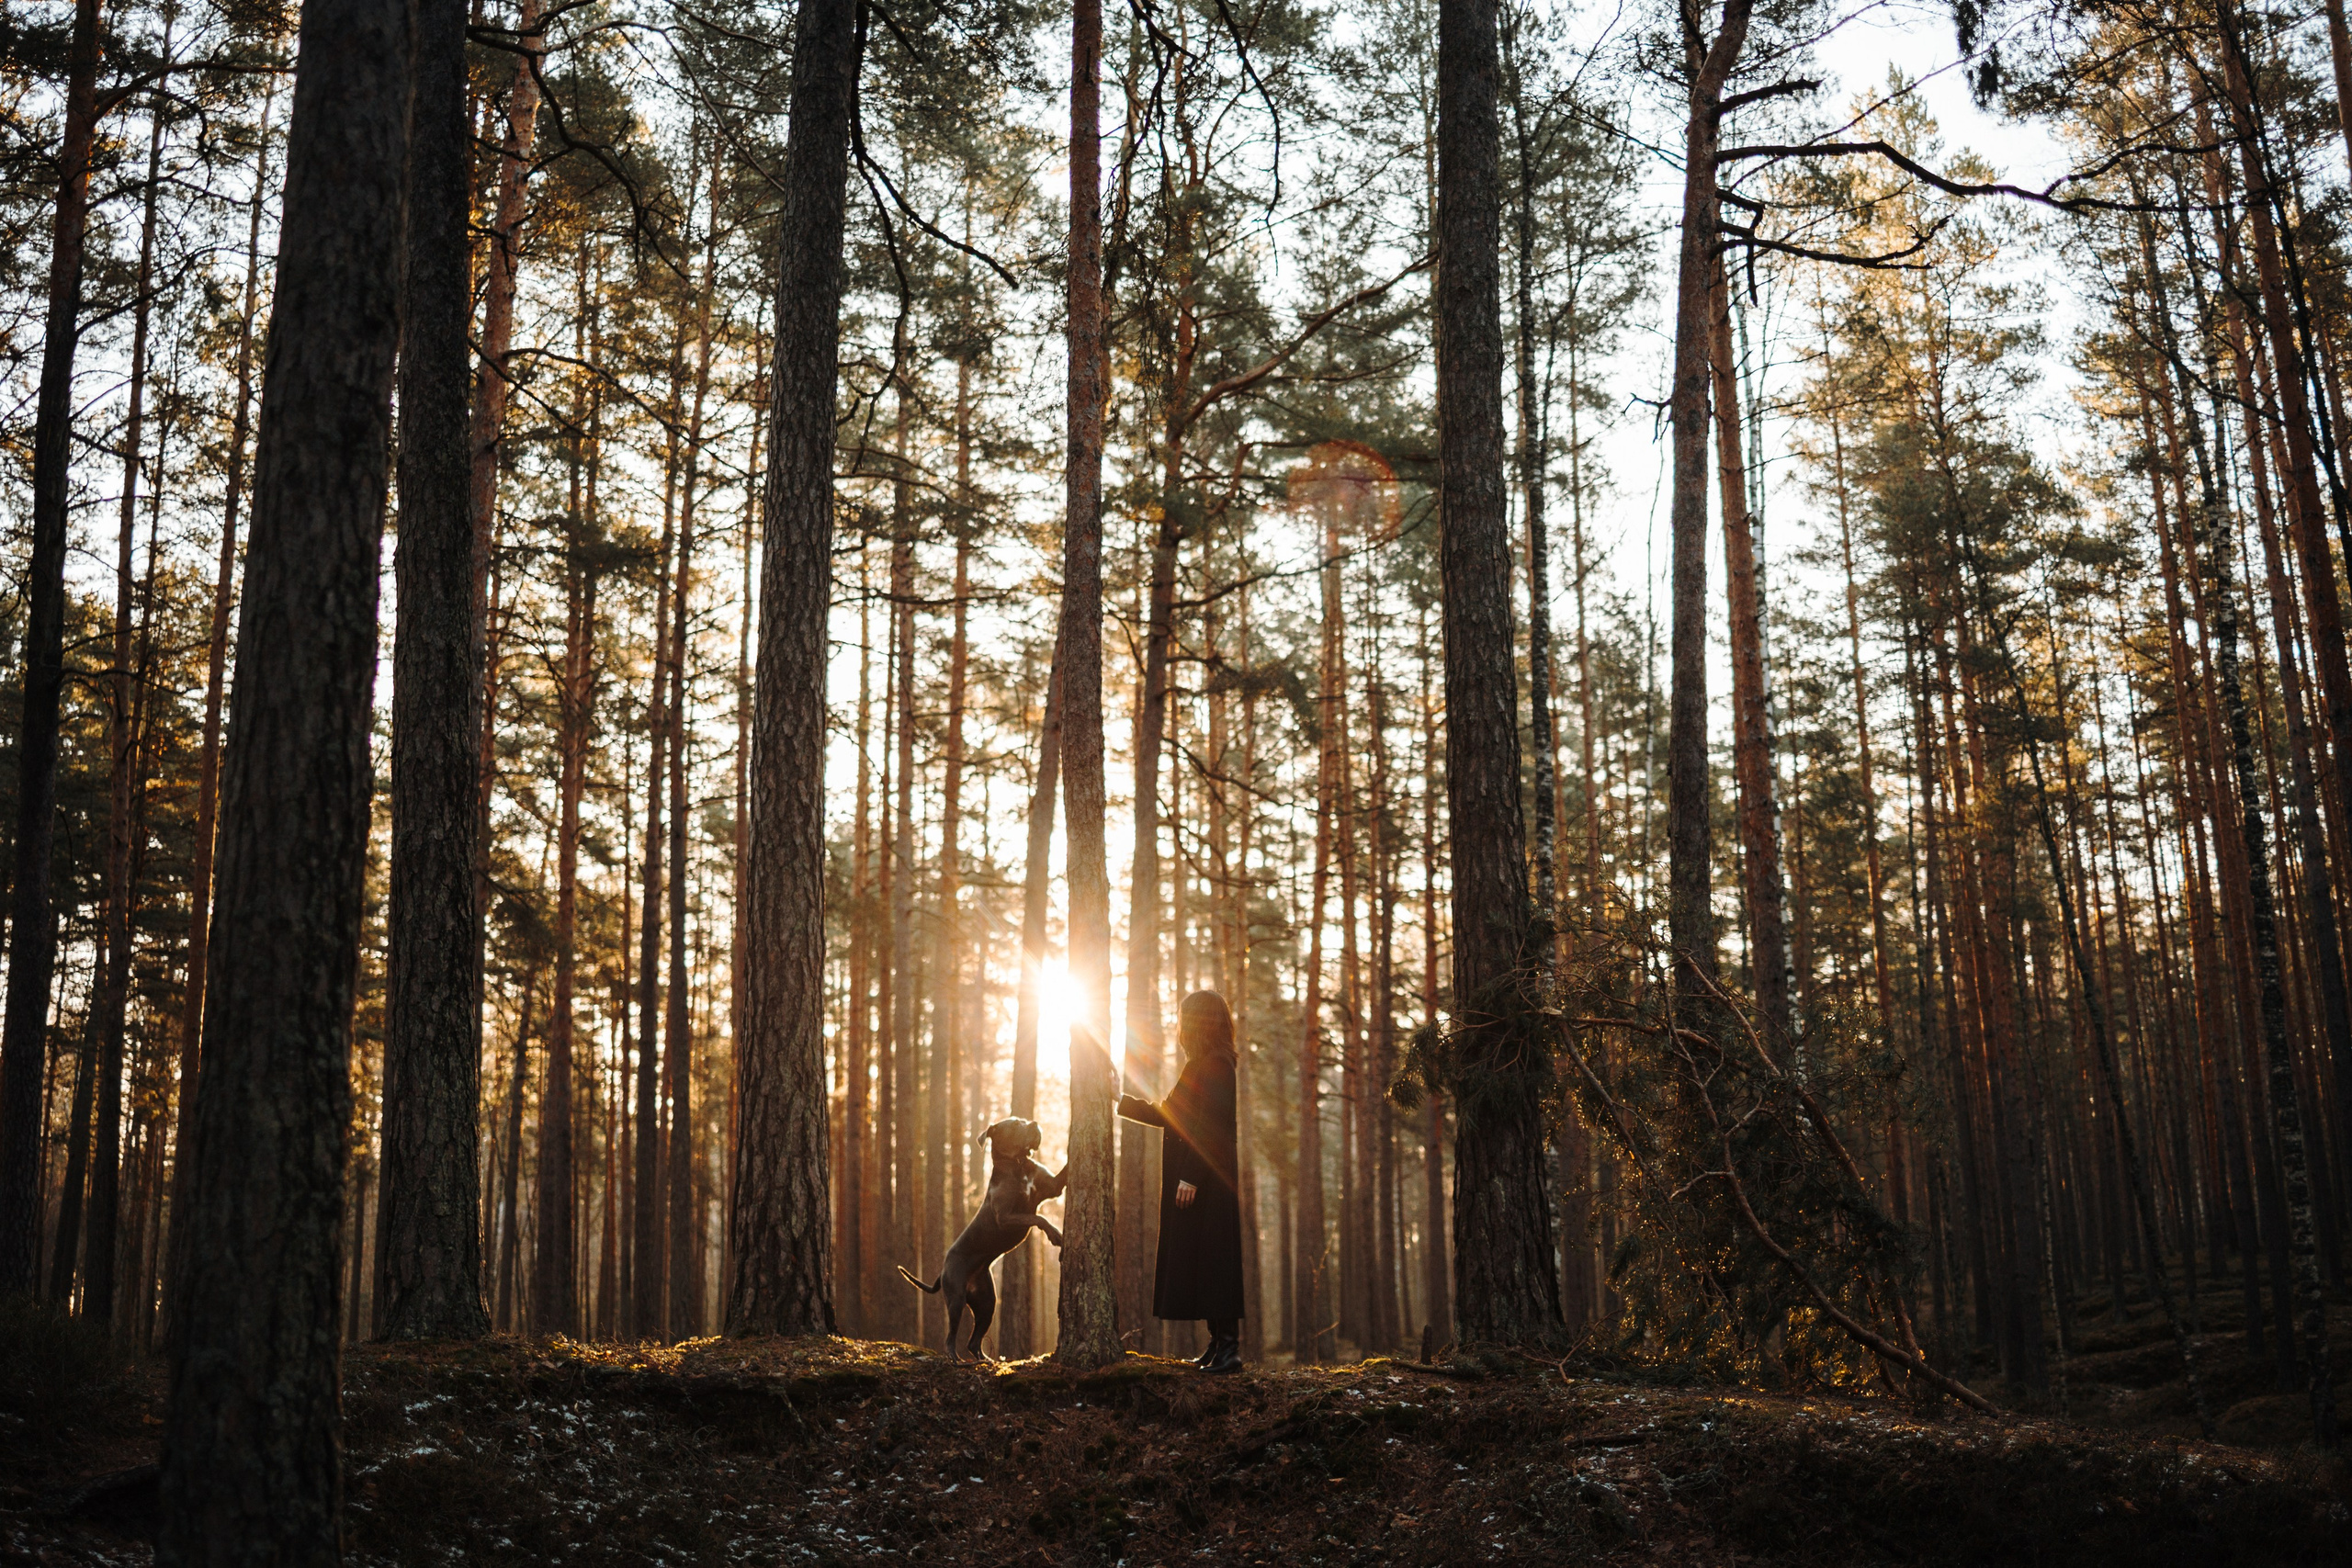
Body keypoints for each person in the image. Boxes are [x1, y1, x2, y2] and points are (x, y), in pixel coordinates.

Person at [1117, 989, 1246, 1372]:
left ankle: (1230, 1349)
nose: (1180, 1026)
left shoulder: (1219, 1064)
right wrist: (1118, 1099)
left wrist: (1190, 1177)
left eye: (1185, 1018)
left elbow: (1212, 1127)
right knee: (1205, 1257)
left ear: (1200, 1022)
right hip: (1201, 1177)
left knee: (1217, 1257)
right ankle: (1216, 1345)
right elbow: (1170, 1114)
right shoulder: (1200, 1065)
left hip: (1210, 1179)